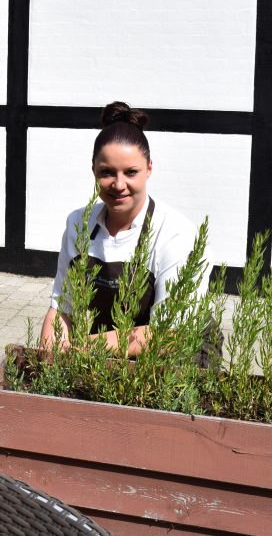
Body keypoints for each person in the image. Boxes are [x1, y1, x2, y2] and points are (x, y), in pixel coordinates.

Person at [40, 101, 207, 357]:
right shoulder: (78, 225)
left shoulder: (175, 233)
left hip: (178, 355)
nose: (118, 184)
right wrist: (49, 357)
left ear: (149, 168)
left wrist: (78, 349)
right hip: (104, 347)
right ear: (93, 170)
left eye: (131, 172)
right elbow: (62, 309)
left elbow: (169, 334)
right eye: (107, 172)